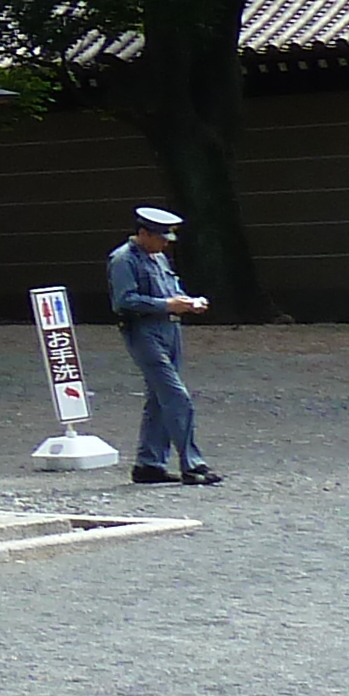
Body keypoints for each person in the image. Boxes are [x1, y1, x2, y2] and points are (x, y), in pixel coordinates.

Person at [105, 207, 220, 487]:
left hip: (169, 328)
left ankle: (149, 463)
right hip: (143, 330)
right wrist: (167, 305)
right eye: (160, 237)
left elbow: (169, 291)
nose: (165, 243)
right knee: (176, 396)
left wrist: (187, 302)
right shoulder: (124, 260)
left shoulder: (157, 258)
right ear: (143, 233)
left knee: (159, 399)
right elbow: (124, 301)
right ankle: (192, 464)